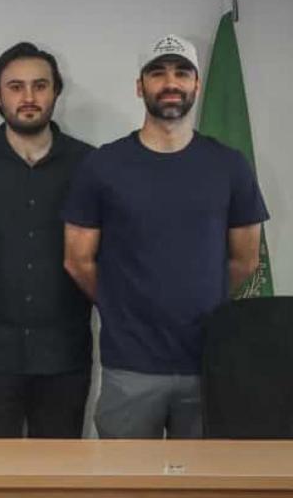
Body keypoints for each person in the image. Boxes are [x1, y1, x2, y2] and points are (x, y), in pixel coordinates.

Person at [62, 34, 269, 439]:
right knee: (127, 484)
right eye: (157, 73)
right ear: (140, 86)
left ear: (196, 85)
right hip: (129, 366)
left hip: (206, 362)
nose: (169, 82)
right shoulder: (103, 165)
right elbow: (77, 260)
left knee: (200, 485)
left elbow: (246, 260)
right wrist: (122, 305)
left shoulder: (229, 166)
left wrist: (200, 300)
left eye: (181, 73)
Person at [0, 42, 93, 438]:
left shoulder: (92, 166)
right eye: (15, 86)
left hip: (65, 352)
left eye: (39, 85)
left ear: (55, 92)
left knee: (59, 475)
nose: (28, 97)